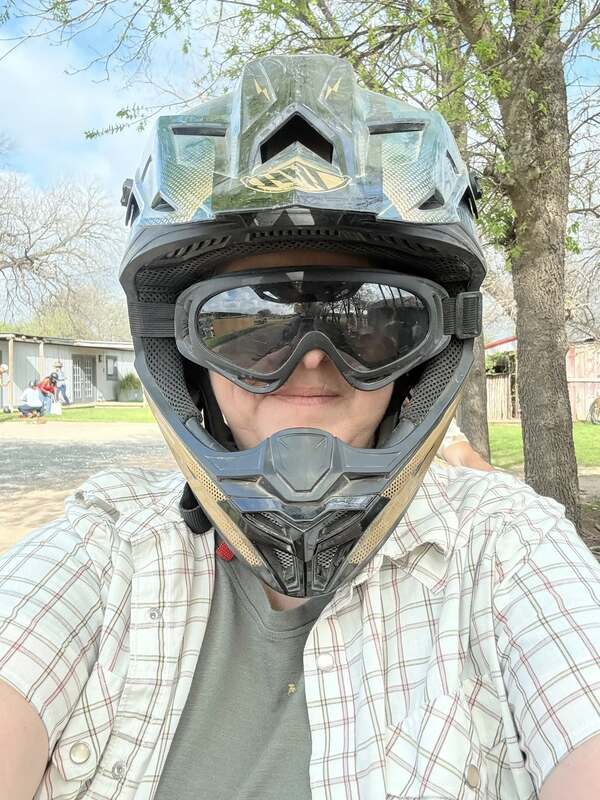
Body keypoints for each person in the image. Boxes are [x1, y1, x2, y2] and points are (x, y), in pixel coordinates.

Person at [0, 55, 598, 800]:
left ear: (428, 353)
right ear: (179, 353)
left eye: (374, 320)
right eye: (249, 325)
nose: (310, 365)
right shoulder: (106, 548)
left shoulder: (506, 550)